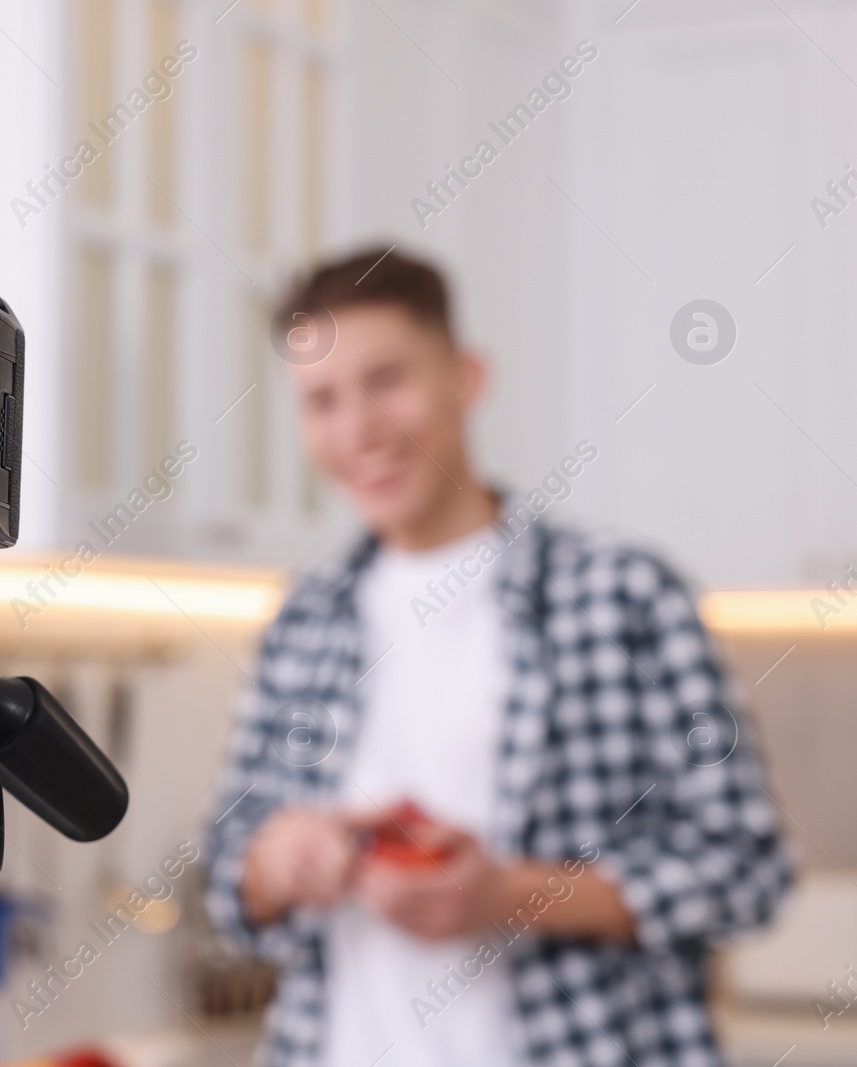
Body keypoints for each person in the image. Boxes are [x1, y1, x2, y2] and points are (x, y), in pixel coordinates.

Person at [203, 247, 790, 1067]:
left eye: (387, 381)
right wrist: (276, 861)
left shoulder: (624, 595)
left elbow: (746, 869)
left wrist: (507, 895)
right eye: (322, 400)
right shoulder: (303, 619)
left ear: (467, 376)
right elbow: (229, 885)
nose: (357, 428)